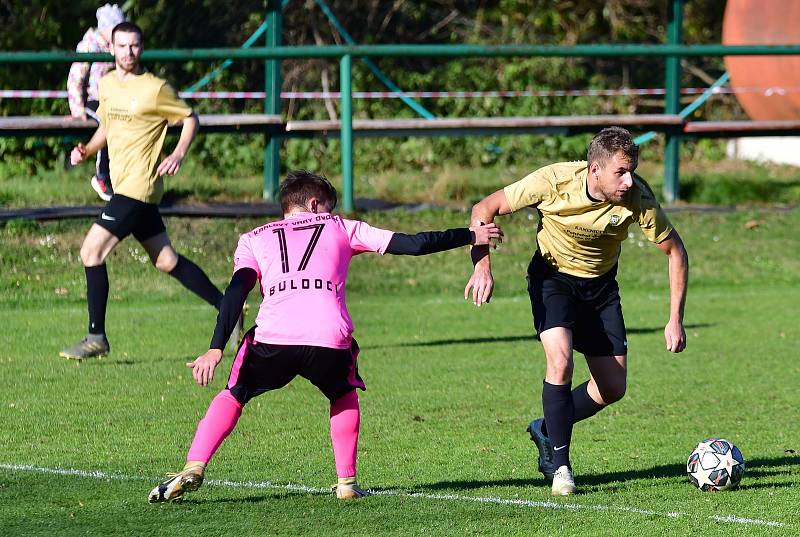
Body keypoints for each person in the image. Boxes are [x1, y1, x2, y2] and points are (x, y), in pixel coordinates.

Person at [147, 170, 503, 503]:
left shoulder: (253, 238)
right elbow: (413, 244)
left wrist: (214, 348)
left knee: (235, 393)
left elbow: (236, 291)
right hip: (329, 337)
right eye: (328, 206)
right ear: (316, 205)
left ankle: (195, 465)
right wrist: (471, 235)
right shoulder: (342, 227)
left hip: (274, 336)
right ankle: (346, 483)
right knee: (343, 392)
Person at [464, 127, 688, 496]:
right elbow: (483, 209)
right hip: (552, 280)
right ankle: (561, 465)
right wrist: (482, 266)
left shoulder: (637, 197)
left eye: (632, 170)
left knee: (613, 387)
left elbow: (675, 251)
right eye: (621, 172)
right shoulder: (553, 181)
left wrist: (674, 318)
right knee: (561, 361)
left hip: (600, 289)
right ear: (594, 169)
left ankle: (548, 428)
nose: (629, 180)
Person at [60, 22, 228, 360]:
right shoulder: (107, 84)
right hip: (124, 185)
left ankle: (97, 337)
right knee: (166, 260)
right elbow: (106, 125)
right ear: (113, 49)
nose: (128, 52)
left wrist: (177, 153)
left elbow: (191, 118)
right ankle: (228, 308)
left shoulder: (155, 88)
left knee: (91, 252)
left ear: (142, 48)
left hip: (140, 186)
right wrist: (87, 151)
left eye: (134, 46)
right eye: (122, 46)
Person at [67, 3, 126, 201]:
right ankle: (101, 176)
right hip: (94, 99)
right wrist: (77, 109)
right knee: (108, 122)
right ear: (105, 29)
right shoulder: (89, 45)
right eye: (116, 29)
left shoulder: (118, 47)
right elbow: (76, 78)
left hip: (116, 99)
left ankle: (123, 176)